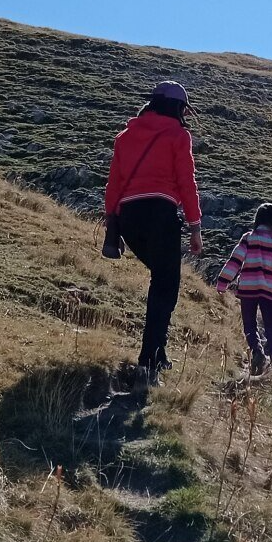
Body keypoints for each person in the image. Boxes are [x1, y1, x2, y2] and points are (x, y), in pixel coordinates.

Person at [104, 80, 202, 380]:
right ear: (176, 107)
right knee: (165, 285)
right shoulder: (178, 135)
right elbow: (186, 181)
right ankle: (151, 358)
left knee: (160, 279)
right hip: (161, 213)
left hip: (130, 218)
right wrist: (195, 226)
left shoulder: (124, 137)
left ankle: (155, 353)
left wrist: (113, 225)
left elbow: (114, 185)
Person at [214, 203, 272, 375]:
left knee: (249, 326)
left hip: (248, 289)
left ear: (258, 219)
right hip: (269, 291)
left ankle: (257, 352)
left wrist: (223, 282)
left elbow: (235, 261)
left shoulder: (248, 237)